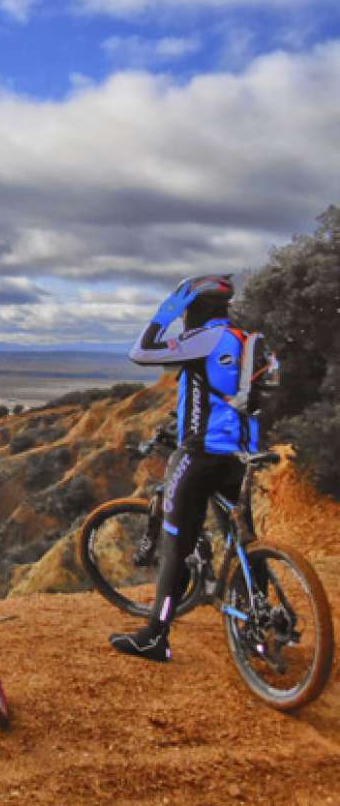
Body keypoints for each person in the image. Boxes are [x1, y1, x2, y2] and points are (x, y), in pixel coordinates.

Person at [110, 274, 269, 661]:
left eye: (185, 311)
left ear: (193, 308)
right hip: (240, 456)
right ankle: (261, 626)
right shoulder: (246, 339)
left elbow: (142, 351)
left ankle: (154, 637)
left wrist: (167, 309)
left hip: (200, 457)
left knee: (175, 547)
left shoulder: (207, 337)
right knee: (245, 541)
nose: (182, 320)